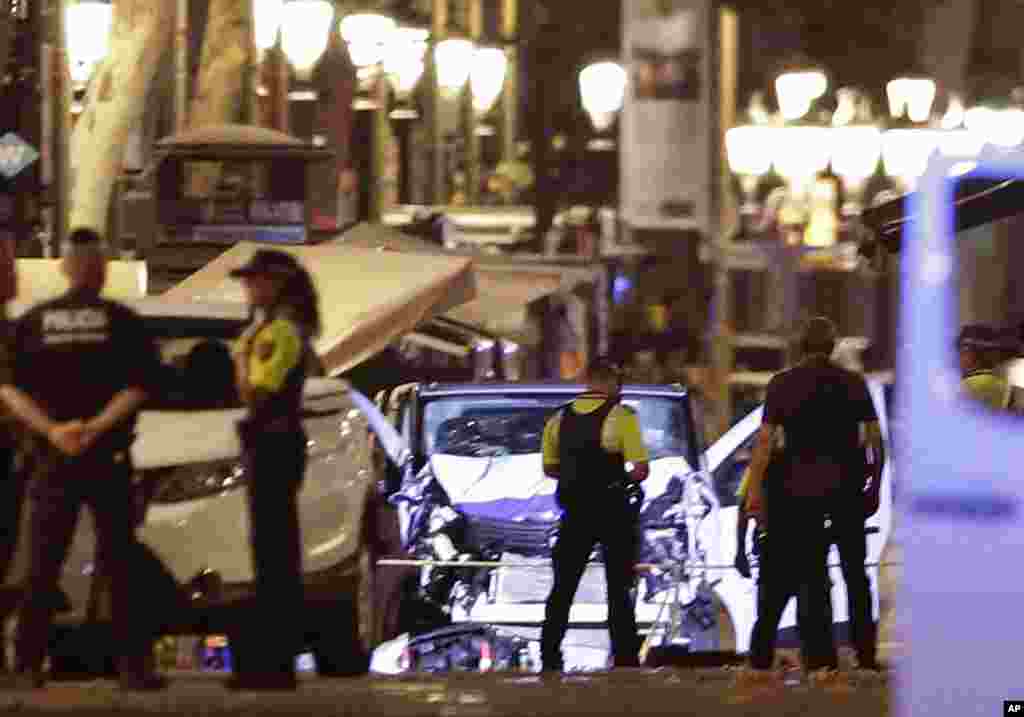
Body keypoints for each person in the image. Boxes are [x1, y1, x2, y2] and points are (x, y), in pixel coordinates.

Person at [0, 227, 165, 690]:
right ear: (101, 269)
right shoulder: (123, 322)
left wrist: (54, 431)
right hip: (106, 457)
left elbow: (10, 389)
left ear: (64, 267)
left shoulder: (33, 322)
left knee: (42, 562)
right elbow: (138, 387)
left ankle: (28, 665)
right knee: (120, 564)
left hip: (52, 458)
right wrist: (94, 428)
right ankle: (134, 667)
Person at [744, 316, 884, 677]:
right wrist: (875, 485)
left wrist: (755, 490)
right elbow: (874, 440)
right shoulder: (853, 383)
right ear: (833, 346)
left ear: (800, 346)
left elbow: (764, 442)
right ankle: (865, 655)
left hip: (800, 493)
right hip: (847, 491)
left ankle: (822, 657)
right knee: (856, 576)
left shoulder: (782, 384)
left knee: (814, 575)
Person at [227, 249, 320, 690]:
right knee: (274, 551)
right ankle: (273, 660)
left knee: (274, 553)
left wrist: (241, 359)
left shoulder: (278, 331)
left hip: (272, 442)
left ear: (274, 282)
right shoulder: (280, 326)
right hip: (275, 443)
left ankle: (273, 663)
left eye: (253, 280)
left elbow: (257, 393)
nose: (247, 288)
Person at [539, 357, 650, 671]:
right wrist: (622, 478)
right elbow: (641, 470)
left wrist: (576, 476)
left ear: (587, 382)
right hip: (613, 513)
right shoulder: (623, 417)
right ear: (611, 382)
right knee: (618, 588)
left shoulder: (558, 419)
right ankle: (625, 657)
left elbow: (549, 469)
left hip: (574, 514)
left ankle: (550, 655)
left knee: (562, 588)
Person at [957, 324, 1012, 410]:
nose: (959, 358)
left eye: (963, 352)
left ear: (971, 354)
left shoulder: (965, 386)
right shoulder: (1003, 383)